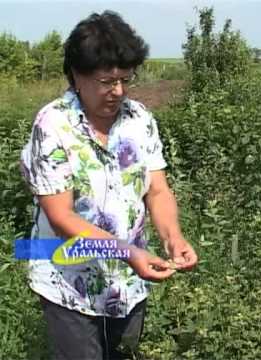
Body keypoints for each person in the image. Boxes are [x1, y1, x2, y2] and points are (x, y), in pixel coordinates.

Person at [19, 10, 197, 360]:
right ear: (76, 76)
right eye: (106, 81)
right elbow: (61, 217)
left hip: (129, 282)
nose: (117, 91)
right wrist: (128, 253)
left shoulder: (140, 119)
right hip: (69, 281)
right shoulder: (53, 124)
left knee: (123, 353)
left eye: (125, 80)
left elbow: (157, 189)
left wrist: (173, 238)